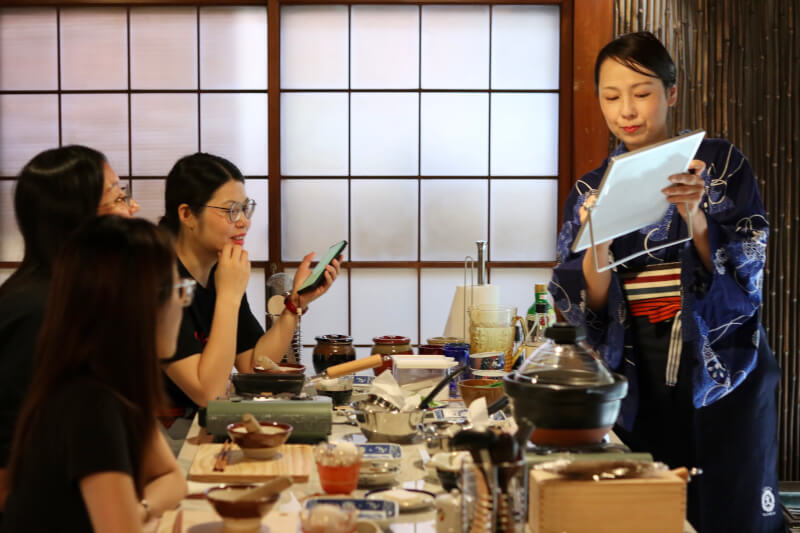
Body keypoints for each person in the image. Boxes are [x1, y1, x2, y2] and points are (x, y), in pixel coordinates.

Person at [549, 32, 784, 533]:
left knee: (729, 508)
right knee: (650, 509)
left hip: (721, 360)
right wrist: (596, 240)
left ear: (671, 93)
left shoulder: (717, 164)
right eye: (611, 96)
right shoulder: (591, 188)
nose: (626, 110)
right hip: (637, 364)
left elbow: (746, 267)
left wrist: (696, 214)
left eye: (642, 92)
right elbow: (585, 304)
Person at [1, 216, 187, 532]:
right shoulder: (91, 404)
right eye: (179, 289)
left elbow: (172, 479)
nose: (183, 301)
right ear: (140, 303)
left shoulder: (103, 386)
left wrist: (137, 509)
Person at [157, 153, 340, 444]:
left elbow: (255, 365)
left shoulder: (219, 267)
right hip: (158, 436)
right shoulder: (157, 276)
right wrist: (229, 295)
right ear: (187, 214)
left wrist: (295, 304)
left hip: (199, 427)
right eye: (230, 211)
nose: (243, 222)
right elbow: (208, 393)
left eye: (245, 209)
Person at [0, 145, 139, 511]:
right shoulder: (38, 308)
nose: (133, 209)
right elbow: (11, 448)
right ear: (77, 218)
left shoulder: (75, 294)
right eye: (119, 197)